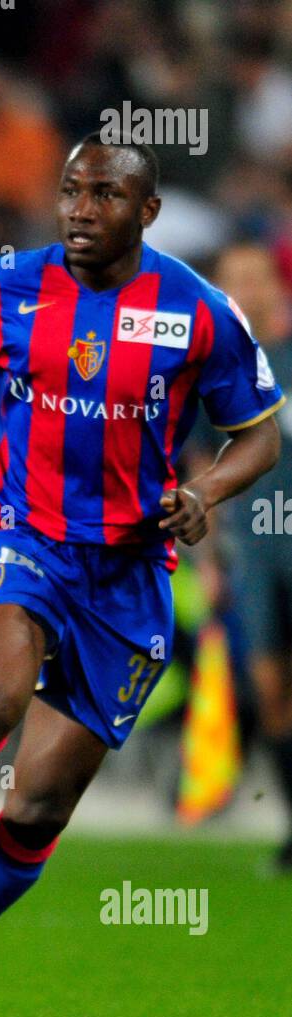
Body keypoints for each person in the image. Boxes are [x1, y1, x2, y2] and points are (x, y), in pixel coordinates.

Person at [0, 134, 283, 1017]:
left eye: (104, 195)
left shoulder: (198, 313)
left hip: (127, 576)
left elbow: (258, 434)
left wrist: (200, 493)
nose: (81, 211)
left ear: (148, 211)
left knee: (38, 806)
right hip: (19, 535)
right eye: (69, 192)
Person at [201, 243, 292, 869]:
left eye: (251, 278)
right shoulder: (218, 363)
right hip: (257, 551)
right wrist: (209, 555)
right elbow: (200, 464)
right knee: (267, 686)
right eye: (229, 280)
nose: (241, 289)